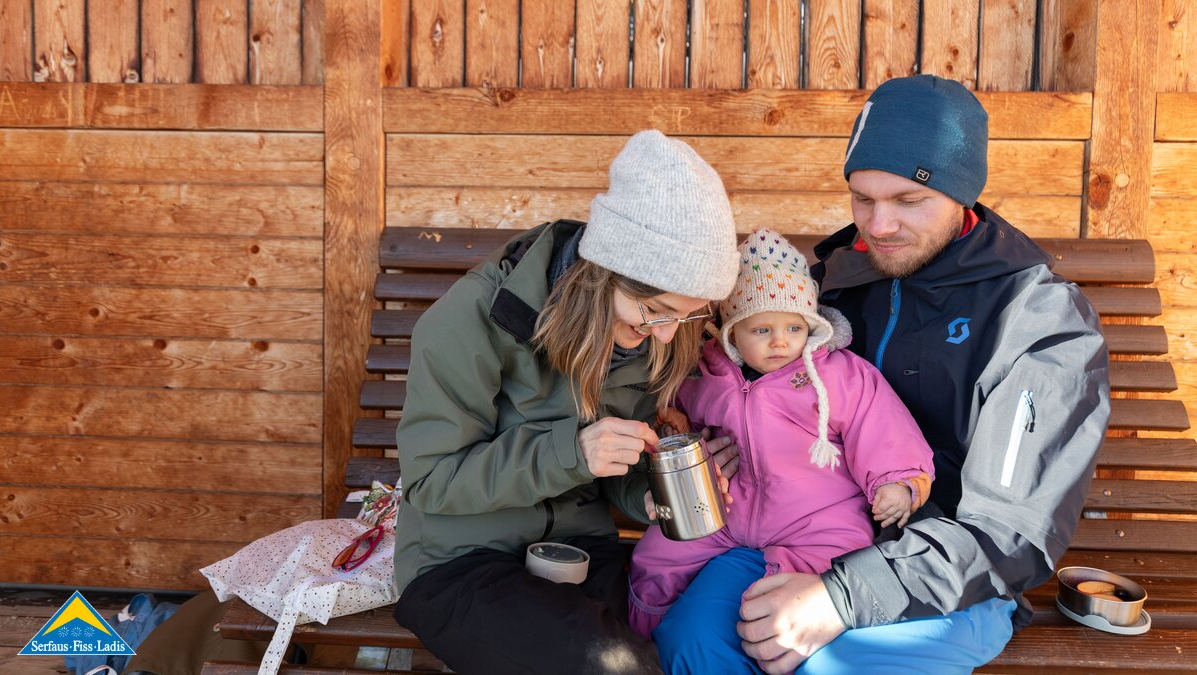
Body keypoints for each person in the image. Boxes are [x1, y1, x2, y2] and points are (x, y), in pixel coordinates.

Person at [728, 74, 1111, 674]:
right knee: (700, 637)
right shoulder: (828, 287)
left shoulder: (1036, 321)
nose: (878, 225)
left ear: (963, 196)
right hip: (797, 544)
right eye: (862, 198)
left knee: (824, 666)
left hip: (948, 588)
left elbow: (1010, 533)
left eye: (908, 201)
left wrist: (844, 594)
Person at [389, 129, 742, 675]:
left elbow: (612, 474)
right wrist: (571, 453)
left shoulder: (649, 334)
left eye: (685, 316)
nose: (668, 335)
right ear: (601, 276)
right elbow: (433, 482)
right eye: (656, 311)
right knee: (611, 667)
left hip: (580, 552)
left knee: (677, 654)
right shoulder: (471, 321)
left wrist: (652, 499)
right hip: (460, 564)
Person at [626, 228, 936, 673]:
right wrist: (674, 427)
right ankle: (644, 642)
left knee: (836, 562)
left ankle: (788, 645)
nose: (780, 341)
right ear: (731, 333)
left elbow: (883, 427)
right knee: (657, 554)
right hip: (723, 513)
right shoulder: (707, 372)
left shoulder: (839, 375)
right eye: (761, 329)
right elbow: (680, 417)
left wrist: (899, 482)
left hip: (816, 519)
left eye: (794, 327)